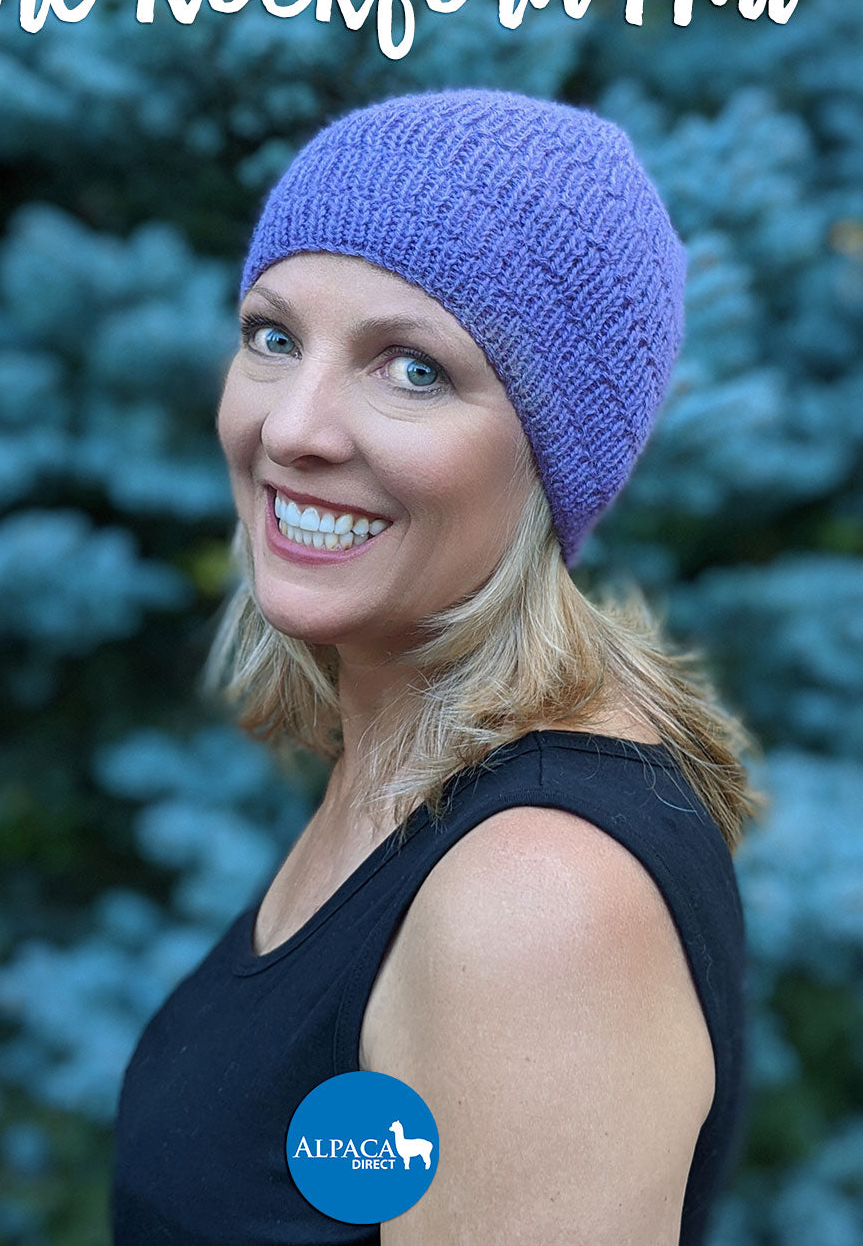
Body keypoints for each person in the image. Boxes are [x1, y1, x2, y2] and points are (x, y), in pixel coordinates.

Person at [111, 90, 768, 1246]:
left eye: (410, 368)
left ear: (552, 453)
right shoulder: (405, 765)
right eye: (273, 336)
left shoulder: (537, 894)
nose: (293, 428)